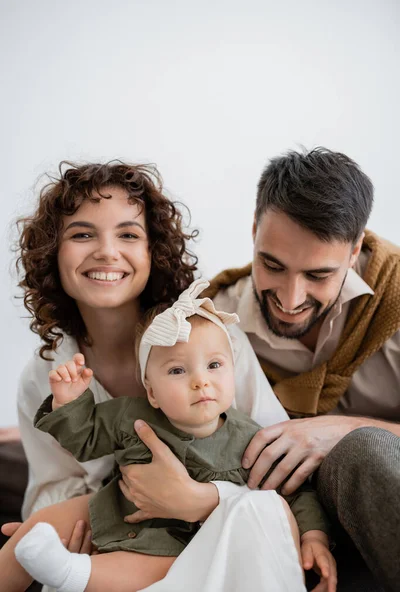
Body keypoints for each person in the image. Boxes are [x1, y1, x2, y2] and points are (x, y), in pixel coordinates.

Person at [1, 160, 300, 592]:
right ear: (52, 253)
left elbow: (276, 461)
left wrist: (196, 500)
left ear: (153, 250)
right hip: (108, 532)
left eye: (128, 234)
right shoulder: (45, 375)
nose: (106, 251)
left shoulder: (214, 341)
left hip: (219, 524)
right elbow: (51, 487)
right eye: (82, 234)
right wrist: (66, 525)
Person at [2, 279, 336, 592]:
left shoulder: (251, 441)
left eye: (215, 366)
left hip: (176, 543)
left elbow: (294, 492)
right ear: (151, 392)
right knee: (39, 526)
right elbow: (85, 439)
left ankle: (69, 572)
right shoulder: (132, 415)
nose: (200, 381)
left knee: (163, 568)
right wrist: (69, 401)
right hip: (114, 509)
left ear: (234, 371)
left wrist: (315, 536)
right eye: (178, 370)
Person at [205, 147, 400, 592]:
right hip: (290, 518)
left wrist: (338, 430)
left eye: (317, 275)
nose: (290, 299)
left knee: (362, 449)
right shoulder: (214, 320)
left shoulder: (396, 298)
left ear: (353, 253)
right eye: (272, 265)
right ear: (254, 232)